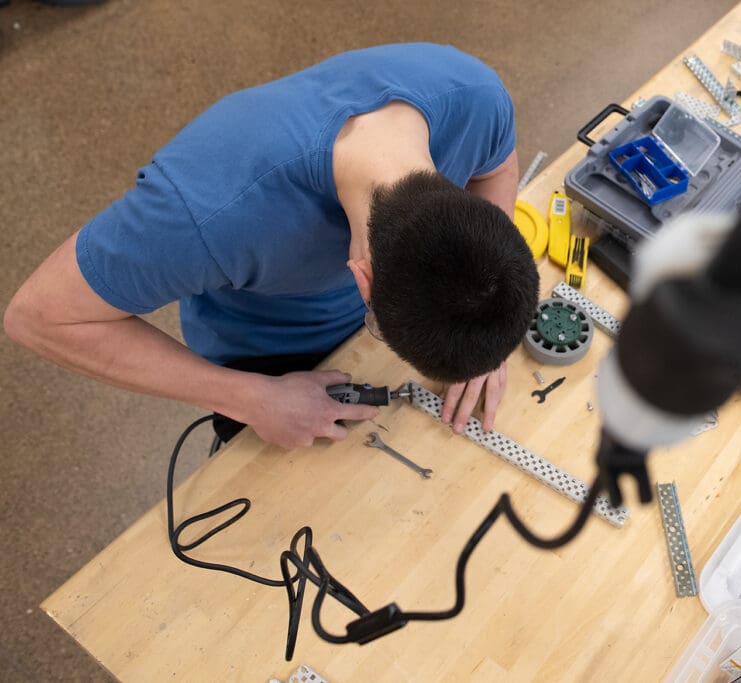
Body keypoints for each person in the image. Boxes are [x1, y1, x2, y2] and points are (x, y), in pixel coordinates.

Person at [4, 43, 540, 449]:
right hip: (268, 362)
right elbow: (37, 318)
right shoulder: (212, 211)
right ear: (362, 279)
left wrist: (481, 331)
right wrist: (251, 398)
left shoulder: (476, 99)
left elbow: (497, 168)